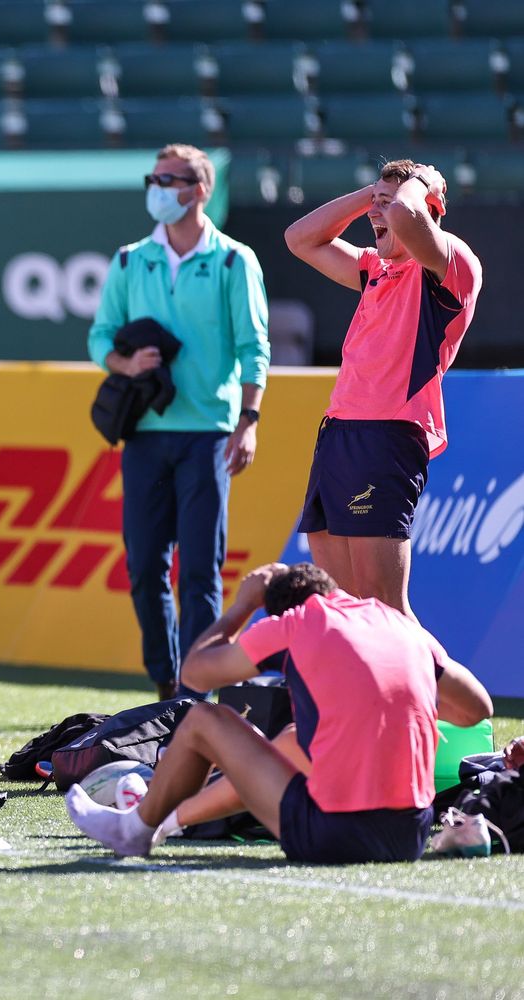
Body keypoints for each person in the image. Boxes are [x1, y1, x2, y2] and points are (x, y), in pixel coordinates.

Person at [66, 561, 493, 864]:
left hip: (333, 837)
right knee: (291, 740)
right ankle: (167, 821)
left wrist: (242, 606)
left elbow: (196, 673)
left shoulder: (299, 621)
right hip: (410, 837)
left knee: (204, 720)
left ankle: (136, 829)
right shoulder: (402, 626)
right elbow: (477, 708)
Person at [87, 143, 270, 702]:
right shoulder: (128, 259)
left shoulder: (235, 260)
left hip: (208, 433)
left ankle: (197, 688)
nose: (160, 187)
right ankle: (166, 679)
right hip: (145, 433)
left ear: (201, 189)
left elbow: (253, 347)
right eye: (155, 177)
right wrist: (125, 362)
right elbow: (99, 337)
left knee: (200, 573)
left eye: (172, 179)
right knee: (144, 566)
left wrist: (249, 420)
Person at [283, 161, 481, 618]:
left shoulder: (450, 262)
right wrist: (372, 194)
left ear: (428, 205)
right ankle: (359, 692)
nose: (379, 215)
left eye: (390, 204)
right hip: (339, 434)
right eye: (378, 205)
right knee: (343, 606)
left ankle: (443, 693)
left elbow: (405, 219)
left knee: (385, 609)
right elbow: (299, 238)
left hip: (388, 435)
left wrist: (419, 185)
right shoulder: (375, 267)